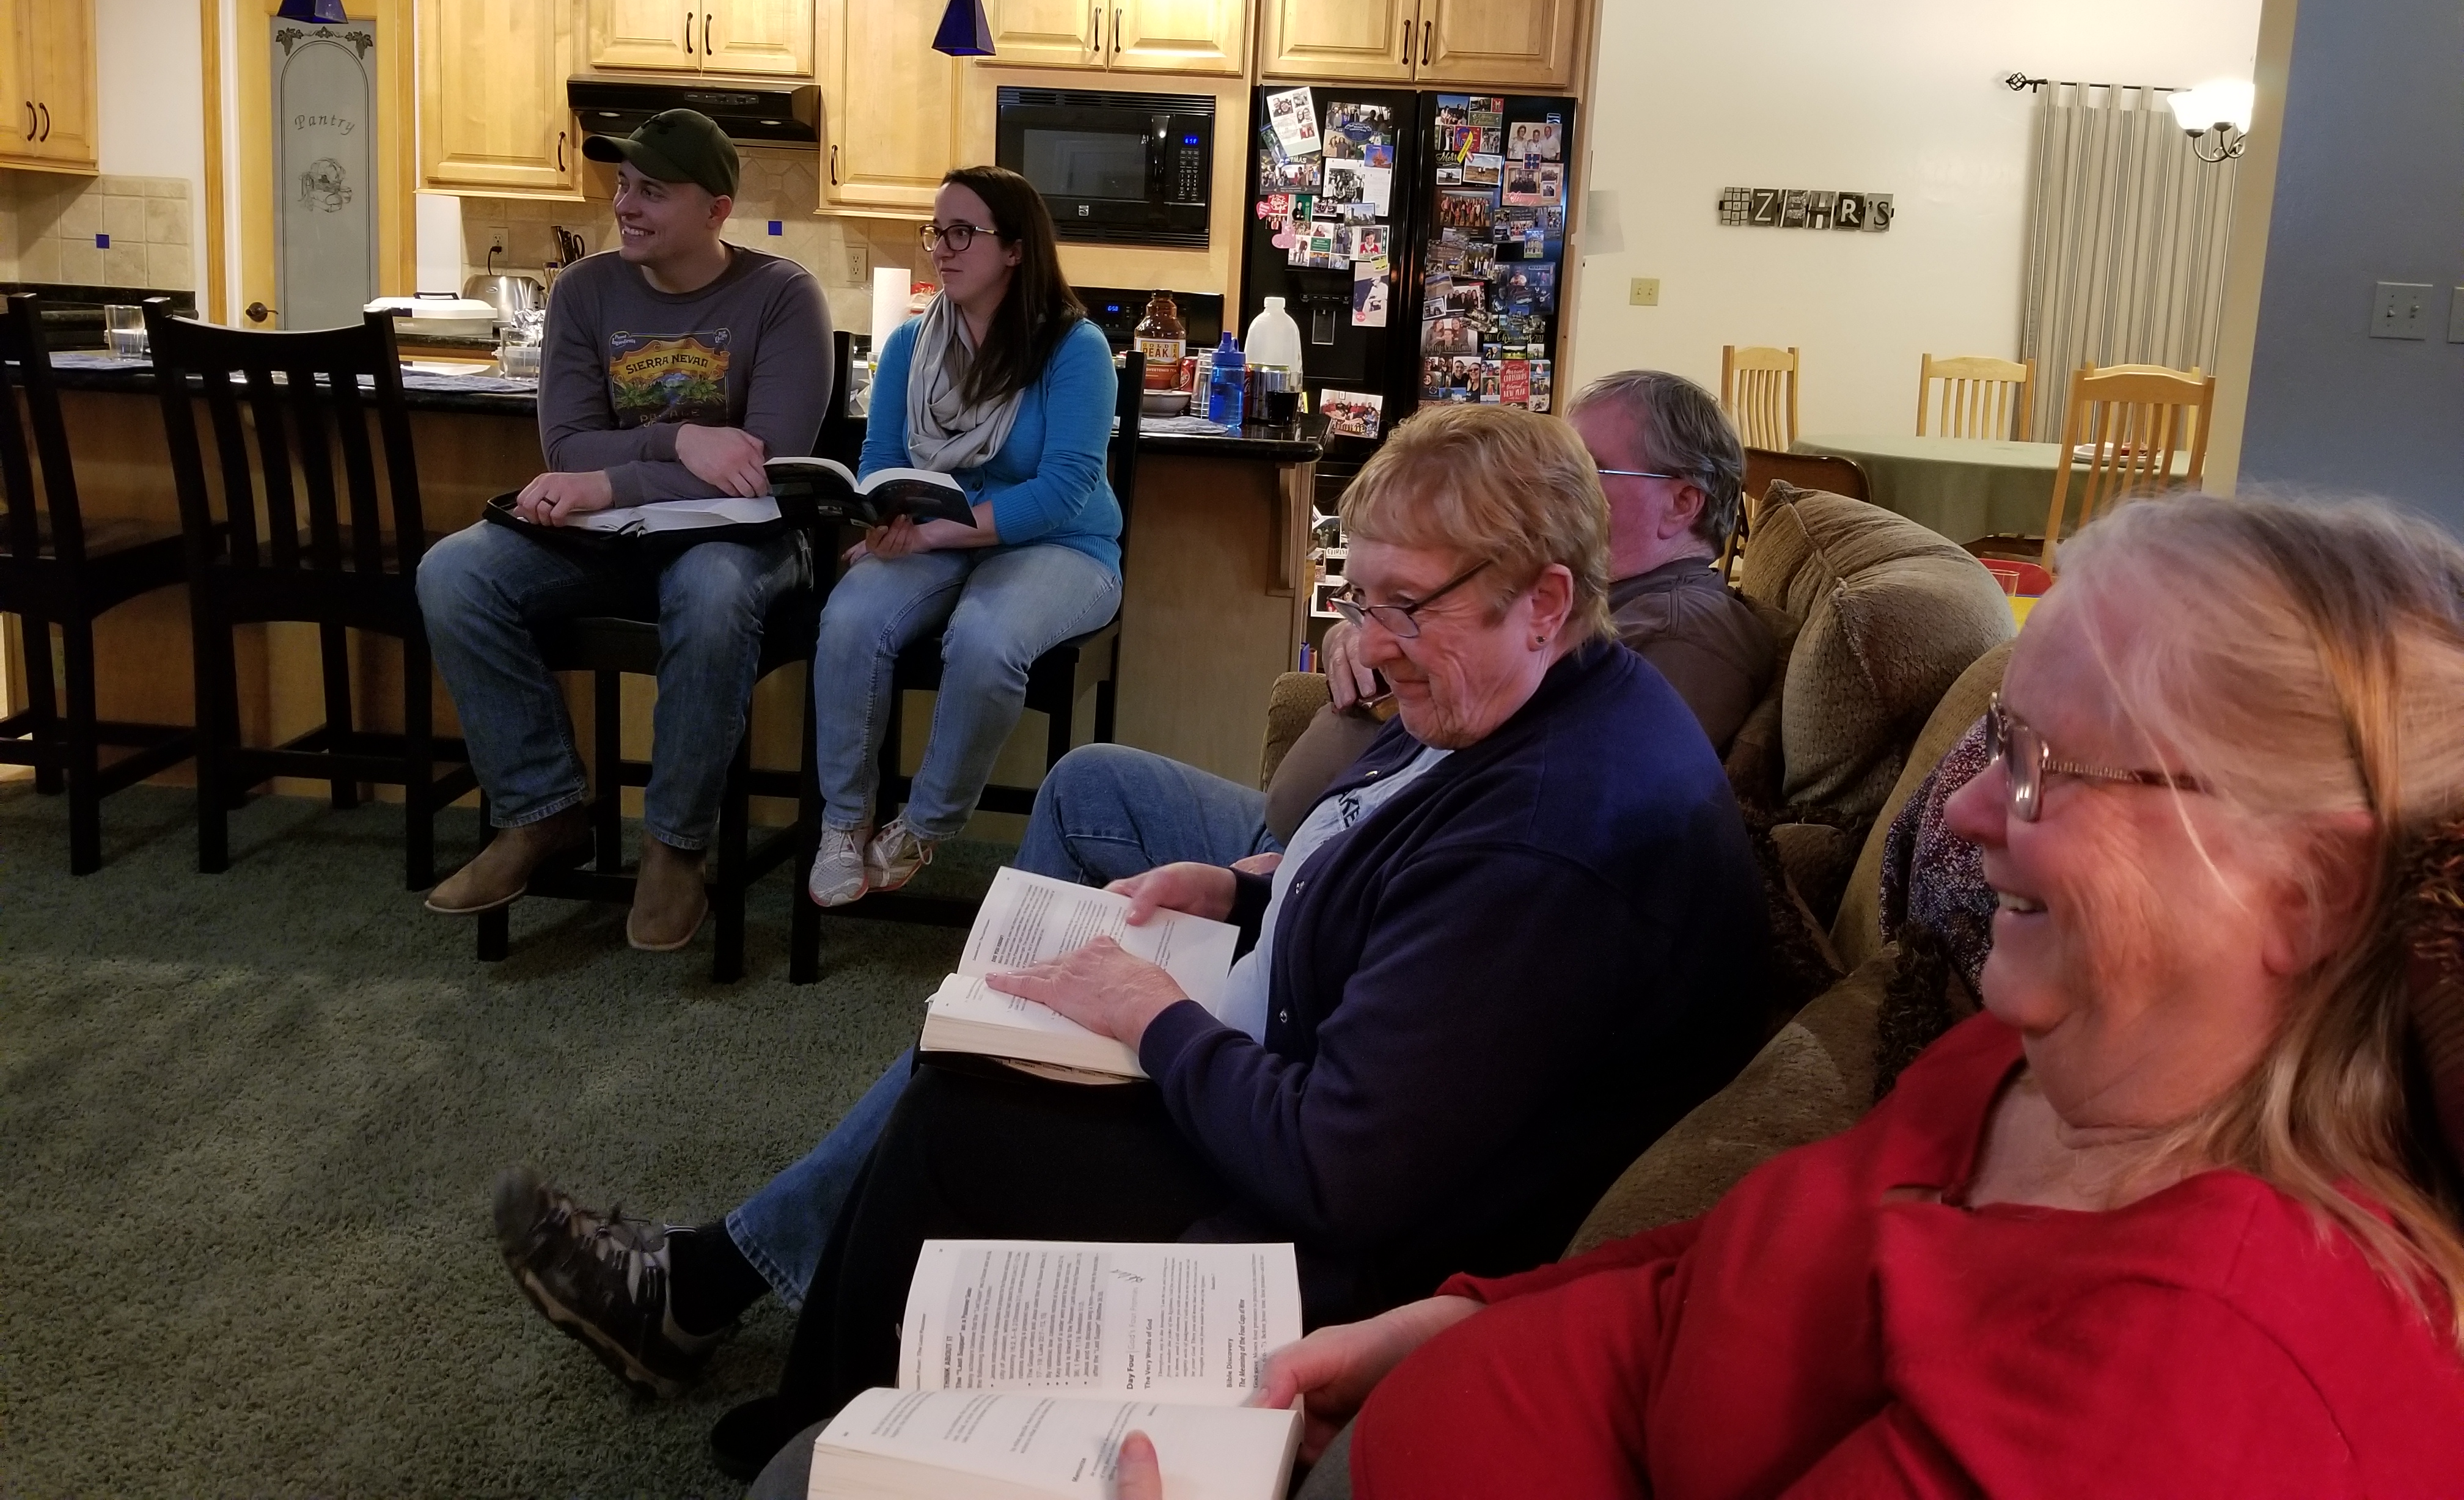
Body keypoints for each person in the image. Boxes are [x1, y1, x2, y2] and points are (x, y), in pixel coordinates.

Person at [490, 406, 1769, 1489]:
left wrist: (1154, 1015)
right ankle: (819, 1398)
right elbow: (1390, 868)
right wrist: (1244, 892)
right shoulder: (1537, 694)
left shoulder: (1549, 838)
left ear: (1545, 600)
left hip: (1355, 1241)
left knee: (965, 1120)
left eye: (1404, 606)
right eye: (1359, 597)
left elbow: (1343, 1171)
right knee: (970, 1084)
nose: (1371, 644)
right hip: (1324, 1070)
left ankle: (823, 1422)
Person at [1244, 489, 2464, 1498]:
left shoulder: (2206, 1357)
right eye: (1995, 743)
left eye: (2045, 769)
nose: (1966, 810)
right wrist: (1464, 1322)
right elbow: (1747, 1261)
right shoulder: (2027, 1058)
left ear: (2312, 887)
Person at [417, 109, 829, 949]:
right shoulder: (584, 291)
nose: (626, 206)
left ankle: (675, 846)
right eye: (623, 186)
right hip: (607, 541)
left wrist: (610, 477)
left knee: (711, 595)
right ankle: (542, 810)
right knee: (454, 573)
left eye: (653, 192)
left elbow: (765, 465)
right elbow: (566, 446)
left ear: (716, 211)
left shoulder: (783, 296)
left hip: (739, 540)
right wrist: (680, 441)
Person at [802, 164, 1124, 905]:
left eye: (961, 232)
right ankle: (845, 821)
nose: (941, 248)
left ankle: (924, 824)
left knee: (984, 640)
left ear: (1014, 249)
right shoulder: (911, 345)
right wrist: (884, 518)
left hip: (1061, 545)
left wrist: (931, 537)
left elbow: (1065, 489)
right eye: (936, 232)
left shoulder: (1073, 348)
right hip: (933, 533)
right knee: (849, 617)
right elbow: (882, 458)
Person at [1275, 368, 1771, 827]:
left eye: (1587, 470)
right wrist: (1364, 624)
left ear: (1682, 503)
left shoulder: (1686, 633)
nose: (1550, 489)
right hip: (1312, 851)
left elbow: (1563, 813)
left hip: (1352, 860)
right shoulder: (1593, 597)